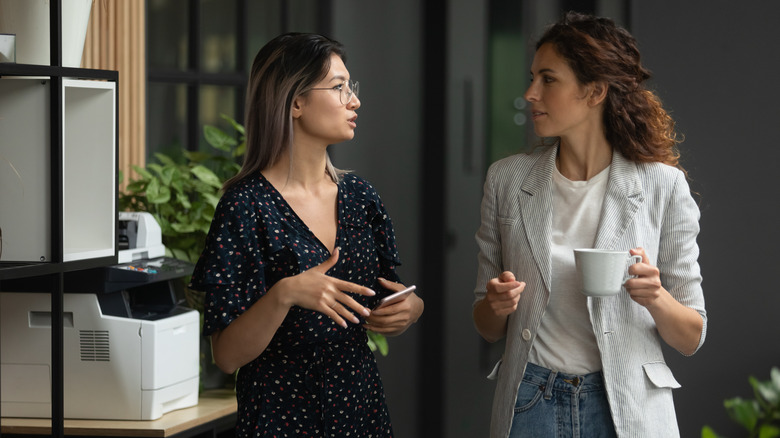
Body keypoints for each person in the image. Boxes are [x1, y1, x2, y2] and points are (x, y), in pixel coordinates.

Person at [472, 12, 706, 438]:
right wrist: (495, 304)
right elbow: (486, 326)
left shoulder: (662, 185)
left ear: (595, 90)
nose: (530, 93)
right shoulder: (506, 179)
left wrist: (655, 297)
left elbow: (691, 335)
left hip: (628, 404)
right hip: (530, 400)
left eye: (548, 79)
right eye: (532, 77)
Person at [189, 32, 424, 438]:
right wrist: (286, 294)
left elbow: (391, 292)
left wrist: (409, 309)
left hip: (360, 411)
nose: (354, 100)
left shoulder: (361, 197)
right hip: (278, 418)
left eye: (351, 87)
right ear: (294, 102)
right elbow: (226, 356)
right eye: (338, 87)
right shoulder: (245, 207)